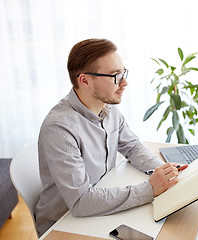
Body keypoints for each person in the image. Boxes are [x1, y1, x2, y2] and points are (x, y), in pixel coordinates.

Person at [34, 38, 186, 236]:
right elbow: (81, 202)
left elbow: (132, 147)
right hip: (65, 225)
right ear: (85, 80)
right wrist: (149, 189)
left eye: (124, 73)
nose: (124, 82)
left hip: (100, 206)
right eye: (115, 76)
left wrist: (163, 171)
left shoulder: (108, 108)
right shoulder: (59, 129)